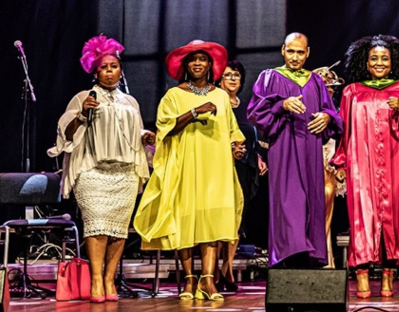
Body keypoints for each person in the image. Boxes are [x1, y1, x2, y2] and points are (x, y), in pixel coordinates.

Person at [134, 40, 245, 302]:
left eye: (202, 59)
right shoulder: (174, 96)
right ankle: (188, 279)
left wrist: (237, 148)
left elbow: (232, 131)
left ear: (210, 65)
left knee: (212, 221)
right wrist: (195, 111)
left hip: (215, 166)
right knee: (185, 221)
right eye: (193, 59)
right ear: (185, 65)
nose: (198, 63)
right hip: (185, 165)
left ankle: (207, 280)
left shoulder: (219, 95)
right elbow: (165, 129)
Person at [50, 35, 151, 302]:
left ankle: (109, 280)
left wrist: (145, 137)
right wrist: (82, 114)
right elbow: (67, 134)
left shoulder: (130, 102)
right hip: (93, 173)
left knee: (118, 229)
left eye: (114, 66)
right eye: (104, 67)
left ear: (120, 69)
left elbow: (134, 133)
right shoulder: (84, 97)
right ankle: (96, 279)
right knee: (97, 227)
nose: (109, 71)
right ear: (95, 70)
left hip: (124, 174)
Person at [331, 35, 399, 298]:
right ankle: (361, 276)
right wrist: (340, 161)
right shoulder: (352, 91)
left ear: (393, 61)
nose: (379, 62)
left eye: (384, 58)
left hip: (398, 162)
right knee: (362, 219)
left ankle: (388, 278)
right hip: (361, 165)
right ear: (365, 62)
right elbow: (345, 130)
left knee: (393, 218)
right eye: (374, 58)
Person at [248, 33, 343, 269]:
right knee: (287, 201)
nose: (295, 57)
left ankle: (310, 256)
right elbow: (256, 113)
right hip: (284, 148)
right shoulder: (270, 77)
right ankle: (287, 256)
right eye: (291, 51)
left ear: (308, 53)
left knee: (312, 200)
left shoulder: (316, 81)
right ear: (283, 50)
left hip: (310, 148)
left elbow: (333, 114)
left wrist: (326, 116)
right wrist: (282, 105)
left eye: (300, 52)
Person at [215, 60, 268, 291]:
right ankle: (214, 270)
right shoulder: (215, 103)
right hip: (221, 166)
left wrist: (257, 157)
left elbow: (252, 136)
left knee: (237, 220)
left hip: (245, 167)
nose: (233, 79)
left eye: (236, 75)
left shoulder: (245, 106)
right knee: (220, 220)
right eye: (228, 75)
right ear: (219, 79)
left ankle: (227, 268)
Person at [312, 65, 348, 269]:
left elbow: (343, 137)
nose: (330, 89)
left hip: (330, 163)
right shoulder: (308, 108)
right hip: (311, 161)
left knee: (327, 209)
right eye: (325, 85)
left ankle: (327, 259)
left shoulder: (336, 111)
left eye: (332, 86)